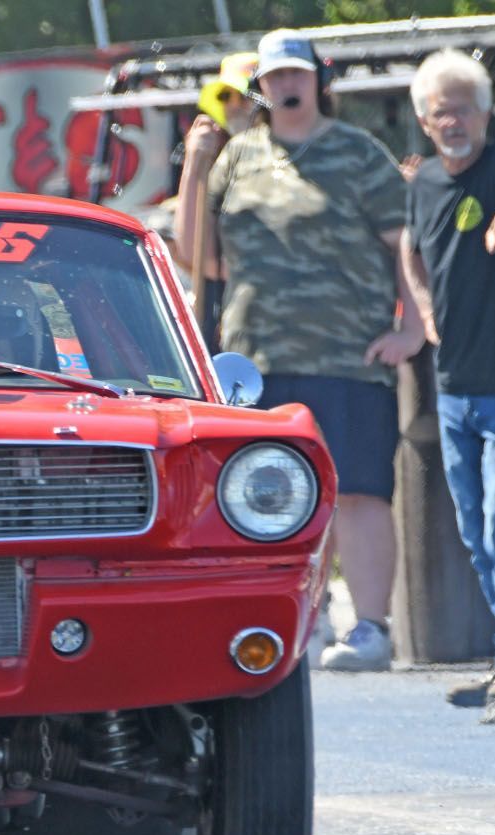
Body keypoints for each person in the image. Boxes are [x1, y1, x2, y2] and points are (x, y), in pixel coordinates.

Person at [199, 30, 426, 671]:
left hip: (347, 354)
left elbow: (404, 243)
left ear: (317, 80)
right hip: (256, 359)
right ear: (260, 87)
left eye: (297, 74)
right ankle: (303, 617)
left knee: (358, 491)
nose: (287, 86)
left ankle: (372, 628)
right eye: (274, 77)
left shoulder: (358, 153)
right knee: (267, 495)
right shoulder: (236, 156)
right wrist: (195, 168)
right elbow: (202, 260)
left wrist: (412, 327)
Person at [400, 49, 495, 707]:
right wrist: (423, 308)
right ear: (424, 120)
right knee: (472, 528)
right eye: (441, 111)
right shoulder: (422, 184)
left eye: (464, 108)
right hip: (453, 385)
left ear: (484, 113)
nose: (453, 120)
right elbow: (409, 248)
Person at [171, 50, 260, 330]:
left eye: (244, 96)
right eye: (224, 96)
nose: (233, 105)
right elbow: (197, 255)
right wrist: (194, 162)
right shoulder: (223, 165)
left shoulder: (293, 161)